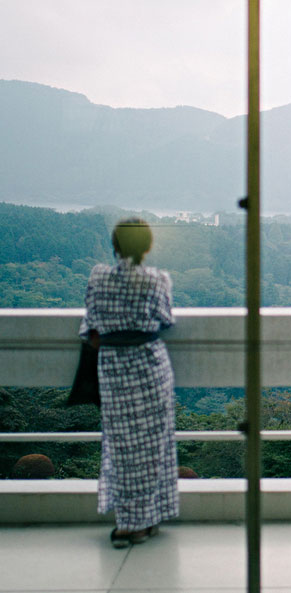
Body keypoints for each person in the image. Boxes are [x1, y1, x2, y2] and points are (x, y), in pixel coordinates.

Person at [79, 218, 178, 548]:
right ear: (148, 246)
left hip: (113, 366)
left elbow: (91, 322)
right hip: (150, 366)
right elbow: (165, 320)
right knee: (154, 445)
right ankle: (143, 521)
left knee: (121, 447)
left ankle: (130, 521)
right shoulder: (157, 280)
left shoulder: (98, 276)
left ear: (115, 245)